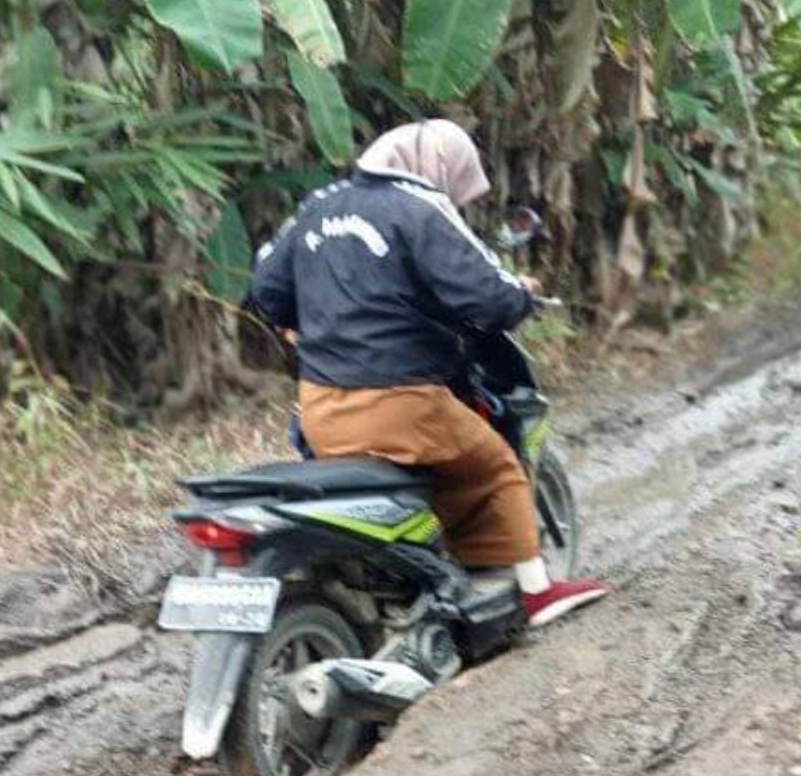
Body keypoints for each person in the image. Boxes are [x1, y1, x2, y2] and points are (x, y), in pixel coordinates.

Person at [251, 119, 608, 627]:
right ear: (442, 168)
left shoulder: (318, 206)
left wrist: (304, 326)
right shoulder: (419, 207)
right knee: (498, 467)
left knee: (446, 460)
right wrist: (521, 296)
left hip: (321, 408)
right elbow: (485, 291)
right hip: (403, 402)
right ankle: (535, 592)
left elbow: (267, 290)